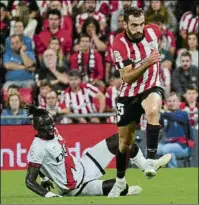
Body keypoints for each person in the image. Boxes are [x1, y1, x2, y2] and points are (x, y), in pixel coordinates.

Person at [25, 103, 169, 197]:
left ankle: (146, 166)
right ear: (37, 128)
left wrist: (44, 178)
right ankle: (125, 192)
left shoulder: (52, 130)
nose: (51, 128)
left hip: (83, 165)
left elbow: (43, 163)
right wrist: (48, 195)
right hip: (75, 187)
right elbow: (29, 181)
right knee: (120, 186)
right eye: (47, 126)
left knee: (122, 138)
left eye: (52, 124)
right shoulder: (38, 148)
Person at [108, 7, 171, 197]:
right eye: (134, 25)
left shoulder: (153, 30)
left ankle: (150, 161)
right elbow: (126, 78)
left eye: (141, 24)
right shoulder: (119, 44)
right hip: (129, 93)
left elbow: (164, 35)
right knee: (124, 144)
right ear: (125, 24)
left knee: (153, 110)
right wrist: (148, 62)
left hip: (152, 85)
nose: (139, 29)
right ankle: (120, 182)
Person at [157, 92, 195, 168]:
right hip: (168, 144)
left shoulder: (183, 114)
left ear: (179, 103)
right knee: (153, 149)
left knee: (167, 149)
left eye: (174, 101)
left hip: (184, 147)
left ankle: (173, 171)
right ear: (166, 103)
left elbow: (174, 117)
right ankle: (156, 173)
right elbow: (159, 128)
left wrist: (163, 112)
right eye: (169, 101)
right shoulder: (164, 115)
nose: (172, 103)